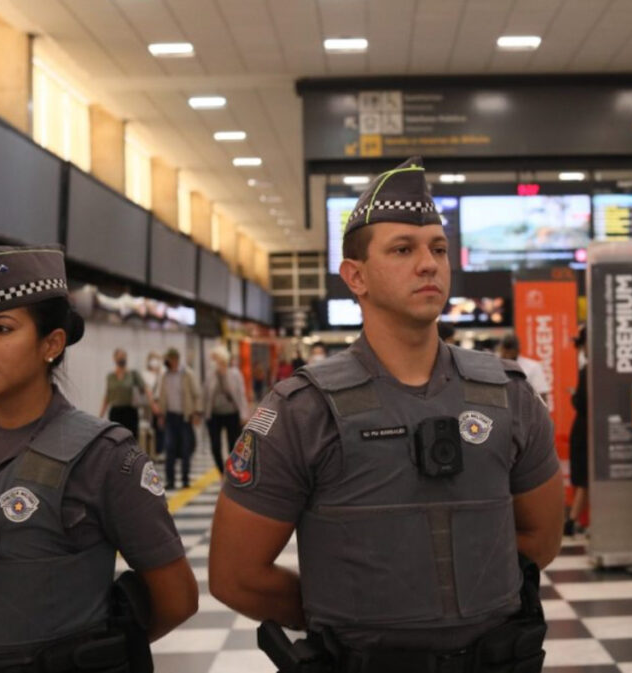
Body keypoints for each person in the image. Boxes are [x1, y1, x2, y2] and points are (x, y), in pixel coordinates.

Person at [209, 156, 562, 671]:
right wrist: (345, 621)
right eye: (403, 249)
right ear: (356, 276)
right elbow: (236, 575)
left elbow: (543, 538)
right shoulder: (302, 412)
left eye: (438, 249)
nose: (429, 264)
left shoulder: (509, 396)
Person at [0, 245, 197, 673]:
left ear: (51, 344)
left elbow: (177, 598)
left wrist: (93, 657)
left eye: (1, 329)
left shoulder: (104, 458)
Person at [154, 347, 202, 489]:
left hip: (185, 417)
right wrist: (161, 415)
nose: (166, 362)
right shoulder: (165, 376)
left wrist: (197, 413)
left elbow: (196, 394)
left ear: (175, 359)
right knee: (170, 449)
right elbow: (162, 397)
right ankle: (171, 481)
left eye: (168, 359)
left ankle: (185, 479)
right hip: (170, 417)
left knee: (186, 448)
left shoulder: (187, 374)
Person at [204, 344, 249, 475]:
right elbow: (206, 395)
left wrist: (244, 414)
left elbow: (240, 395)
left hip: (232, 414)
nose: (213, 362)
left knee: (233, 445)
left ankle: (232, 473)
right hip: (214, 415)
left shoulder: (234, 374)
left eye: (215, 359)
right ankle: (222, 472)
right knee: (215, 446)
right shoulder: (210, 375)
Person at [99, 347, 152, 439]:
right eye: (119, 357)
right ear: (114, 359)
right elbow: (107, 396)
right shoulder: (110, 376)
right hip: (115, 412)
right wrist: (101, 415)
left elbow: (145, 388)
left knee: (131, 439)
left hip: (130, 411)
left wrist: (152, 404)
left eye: (123, 357)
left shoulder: (133, 374)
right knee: (116, 439)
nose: (122, 359)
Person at [567, 325, 589, 536]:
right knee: (585, 479)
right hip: (590, 430)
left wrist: (573, 396)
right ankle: (574, 520)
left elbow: (581, 402)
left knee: (583, 478)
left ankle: (572, 520)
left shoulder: (588, 371)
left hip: (584, 431)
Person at [498, 333, 552, 409]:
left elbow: (542, 394)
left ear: (517, 351)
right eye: (504, 352)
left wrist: (542, 416)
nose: (506, 355)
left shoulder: (532, 367)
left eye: (509, 352)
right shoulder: (495, 366)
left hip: (525, 411)